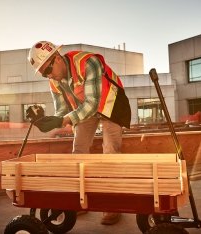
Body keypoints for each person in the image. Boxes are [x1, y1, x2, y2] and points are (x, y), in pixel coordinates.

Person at [27, 41, 131, 225]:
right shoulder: (54, 81)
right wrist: (47, 120)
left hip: (111, 103)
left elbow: (92, 104)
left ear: (57, 58)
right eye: (44, 74)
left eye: (48, 70)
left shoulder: (88, 62)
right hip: (84, 109)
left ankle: (113, 204)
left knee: (110, 152)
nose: (48, 76)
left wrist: (64, 120)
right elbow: (61, 111)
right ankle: (80, 201)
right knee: (79, 151)